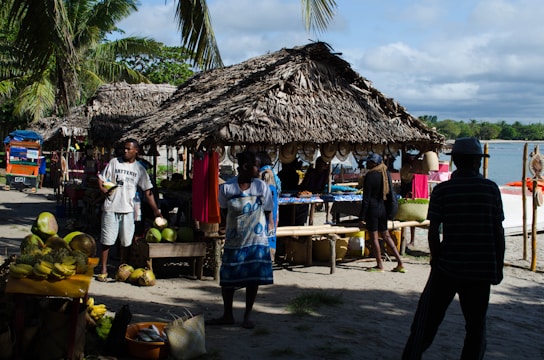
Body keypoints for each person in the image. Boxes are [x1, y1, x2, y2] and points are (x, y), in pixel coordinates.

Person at [402, 137, 505, 360]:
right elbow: (498, 231)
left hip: (447, 267)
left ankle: (412, 356)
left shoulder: (443, 191)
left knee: (426, 321)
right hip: (480, 269)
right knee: (476, 328)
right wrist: (498, 266)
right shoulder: (490, 189)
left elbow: (432, 231)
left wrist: (435, 259)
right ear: (478, 162)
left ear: (456, 160)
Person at [207, 150, 274, 329]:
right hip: (234, 241)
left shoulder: (261, 187)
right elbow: (224, 212)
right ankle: (227, 314)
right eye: (257, 166)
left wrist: (267, 231)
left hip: (256, 241)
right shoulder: (227, 188)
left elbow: (268, 211)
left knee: (253, 279)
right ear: (245, 167)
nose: (259, 170)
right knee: (228, 278)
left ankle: (247, 315)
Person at [96, 139, 162, 282]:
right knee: (107, 240)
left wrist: (156, 210)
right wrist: (103, 190)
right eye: (124, 149)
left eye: (128, 149)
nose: (125, 151)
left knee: (126, 242)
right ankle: (104, 269)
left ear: (136, 151)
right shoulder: (114, 162)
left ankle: (122, 268)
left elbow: (148, 191)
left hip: (128, 209)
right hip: (111, 207)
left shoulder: (140, 169)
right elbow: (101, 178)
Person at [358, 153, 405, 273]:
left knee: (374, 237)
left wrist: (362, 217)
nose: (366, 163)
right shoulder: (385, 173)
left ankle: (380, 265)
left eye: (368, 162)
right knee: (386, 235)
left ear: (374, 163)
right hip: (383, 209)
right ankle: (400, 262)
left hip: (373, 210)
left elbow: (366, 199)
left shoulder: (370, 176)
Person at [256, 151, 281, 261]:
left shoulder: (265, 174)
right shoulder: (273, 173)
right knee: (271, 234)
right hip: (274, 210)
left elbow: (267, 194)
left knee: (266, 233)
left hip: (267, 211)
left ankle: (267, 258)